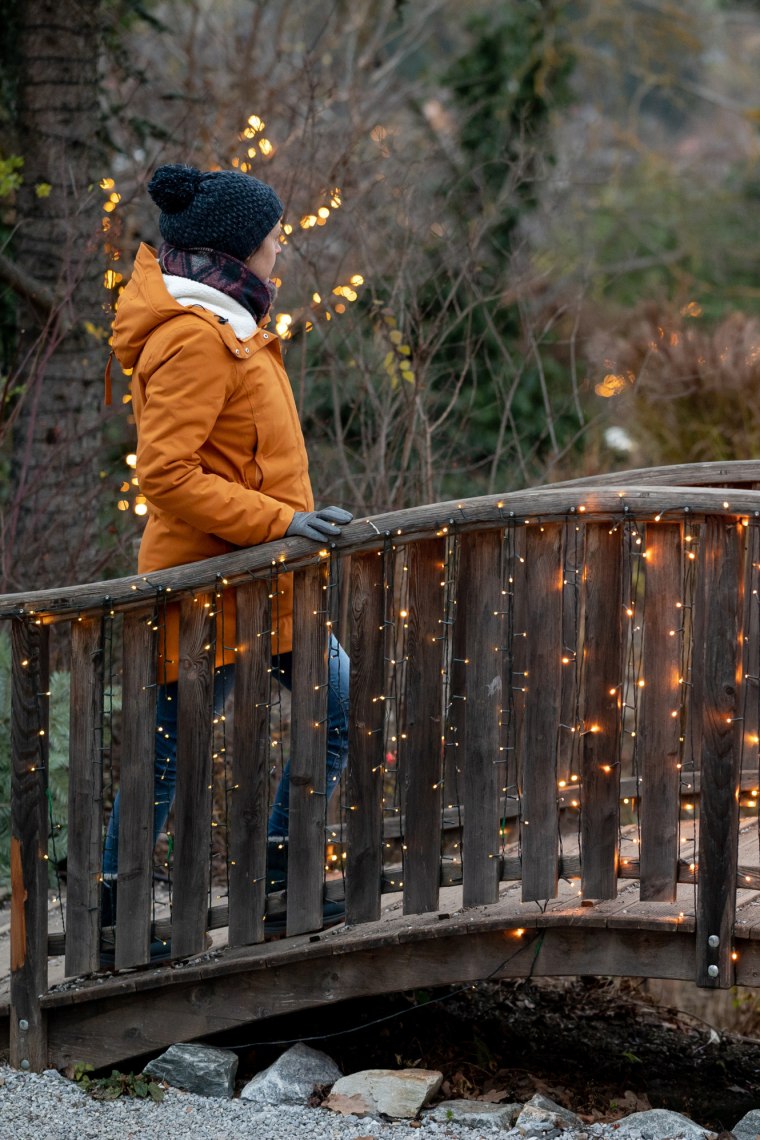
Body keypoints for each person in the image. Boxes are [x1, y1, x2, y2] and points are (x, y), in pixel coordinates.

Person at [102, 163, 352, 952]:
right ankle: (112, 917)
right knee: (167, 754)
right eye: (275, 235)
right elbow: (166, 476)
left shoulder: (233, 323)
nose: (283, 246)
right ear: (240, 250)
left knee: (334, 707)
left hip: (264, 580)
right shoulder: (194, 339)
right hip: (205, 584)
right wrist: (285, 522)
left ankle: (281, 880)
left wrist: (288, 528)